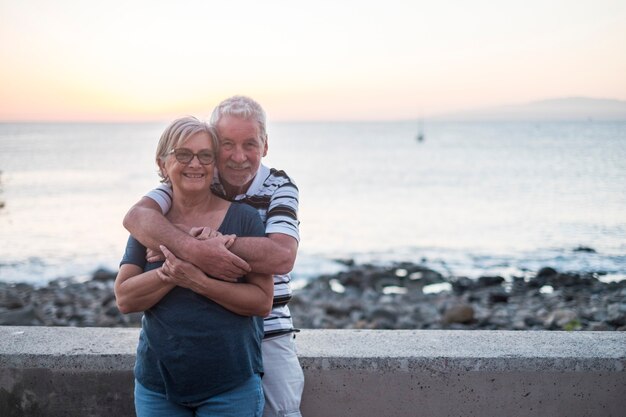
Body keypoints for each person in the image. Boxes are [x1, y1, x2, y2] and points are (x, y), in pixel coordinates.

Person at [123, 96, 304, 417]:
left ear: (265, 145)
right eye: (227, 144)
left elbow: (280, 256)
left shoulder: (279, 185)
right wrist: (191, 248)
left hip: (270, 326)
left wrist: (192, 246)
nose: (238, 156)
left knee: (283, 412)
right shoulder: (199, 173)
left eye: (250, 144)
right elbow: (137, 218)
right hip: (179, 355)